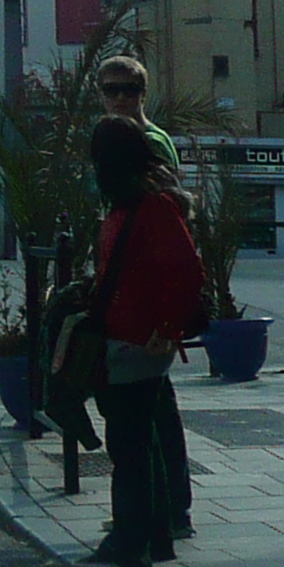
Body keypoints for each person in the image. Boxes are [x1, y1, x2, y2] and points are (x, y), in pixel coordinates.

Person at [84, 113, 206, 567]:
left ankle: (130, 542)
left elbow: (187, 271)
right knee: (143, 441)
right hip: (138, 336)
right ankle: (154, 536)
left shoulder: (147, 206)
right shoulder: (135, 203)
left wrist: (168, 326)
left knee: (129, 446)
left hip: (139, 338)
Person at [93, 57, 192, 541]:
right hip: (141, 306)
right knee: (151, 417)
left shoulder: (142, 146)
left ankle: (159, 516)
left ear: (143, 92)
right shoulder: (126, 141)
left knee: (144, 425)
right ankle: (162, 515)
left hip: (145, 307)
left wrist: (167, 322)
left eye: (129, 89)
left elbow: (170, 238)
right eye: (112, 89)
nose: (120, 97)